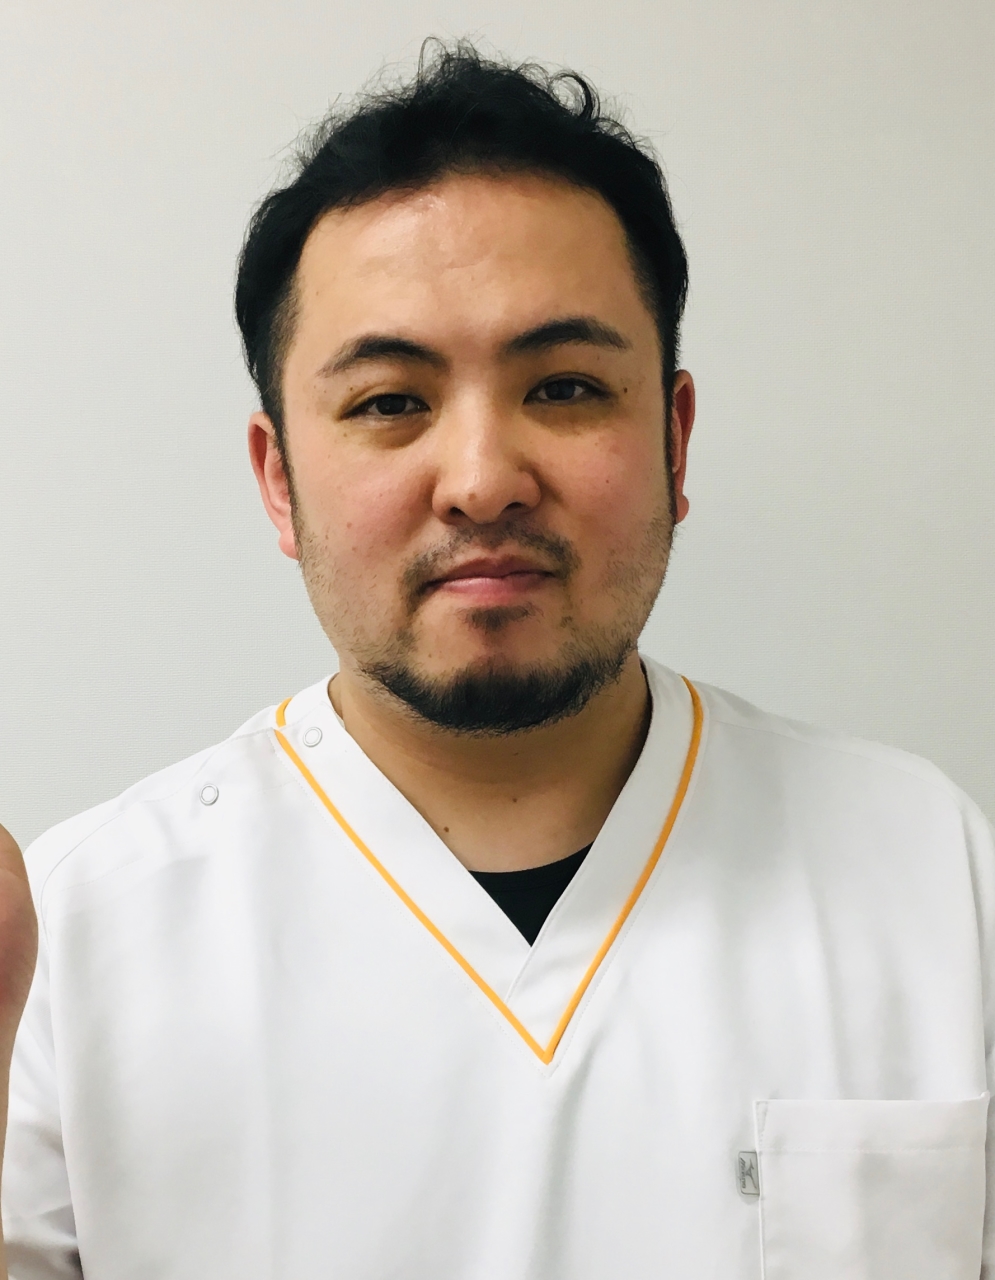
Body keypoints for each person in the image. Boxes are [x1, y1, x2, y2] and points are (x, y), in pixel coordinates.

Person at [1, 41, 993, 1280]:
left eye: (564, 387)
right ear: (278, 480)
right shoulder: (74, 934)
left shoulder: (931, 870)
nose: (480, 481)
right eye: (388, 402)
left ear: (674, 440)